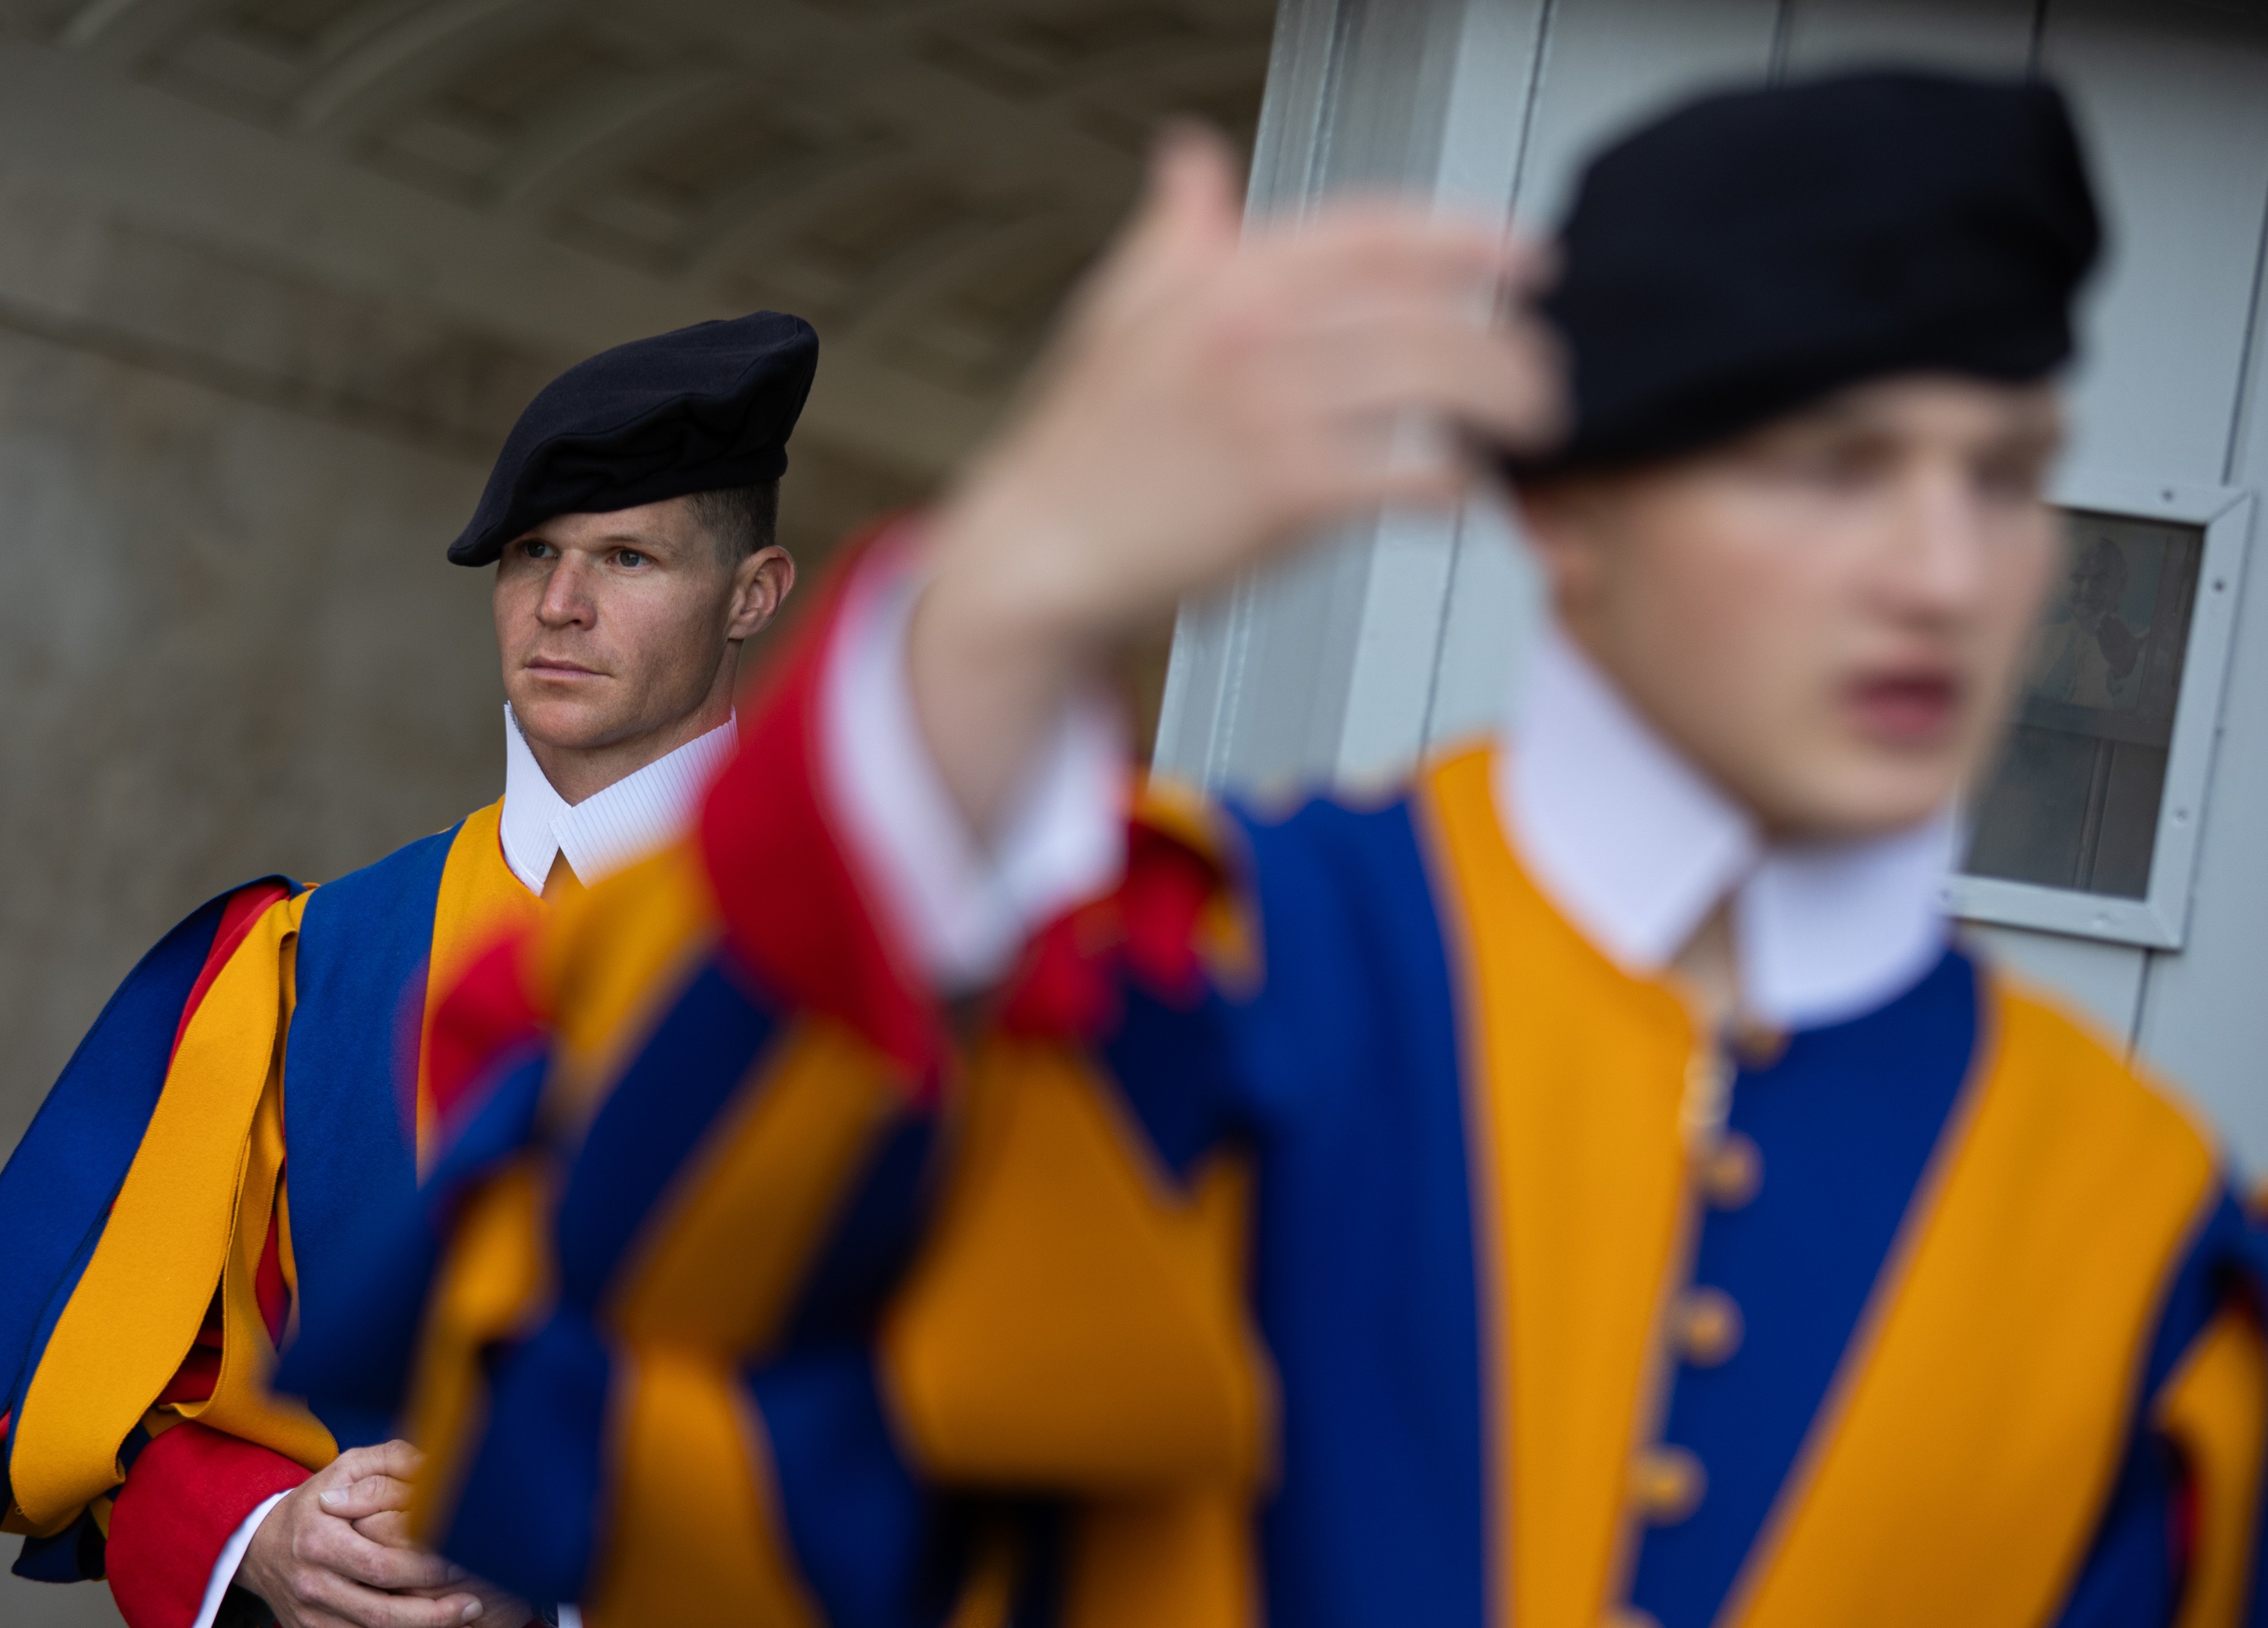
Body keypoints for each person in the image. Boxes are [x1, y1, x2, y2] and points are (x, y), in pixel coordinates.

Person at [306, 73, 2267, 1628]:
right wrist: (990, 628)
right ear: (1567, 511)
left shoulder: (2141, 1235)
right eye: (1826, 465)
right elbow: (574, 1347)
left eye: (2001, 476)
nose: (1941, 569)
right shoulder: (1182, 973)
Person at [0, 312, 813, 1628]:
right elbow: (140, 1386)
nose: (560, 603)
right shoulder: (317, 955)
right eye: (531, 553)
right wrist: (264, 1537)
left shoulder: (875, 960)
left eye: (626, 555)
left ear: (754, 592)